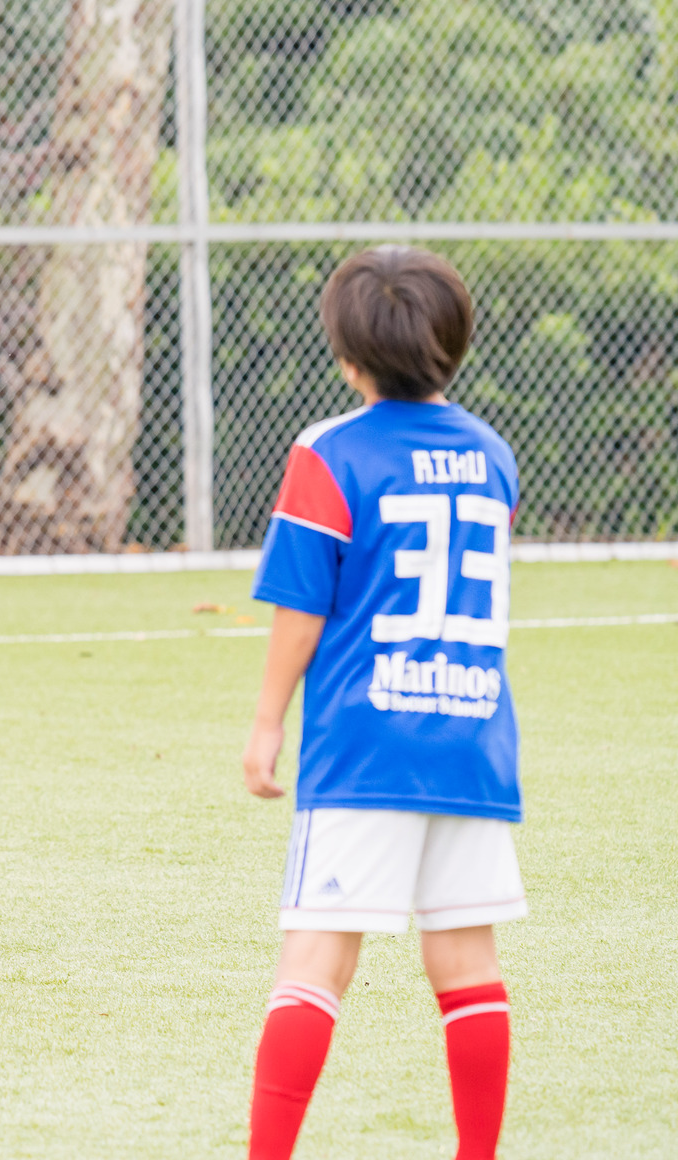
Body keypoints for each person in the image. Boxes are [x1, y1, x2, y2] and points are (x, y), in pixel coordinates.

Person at [239, 246, 522, 1158]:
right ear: (455, 345)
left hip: (365, 743)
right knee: (468, 967)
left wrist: (268, 721)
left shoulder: (330, 452)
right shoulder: (492, 455)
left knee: (317, 962)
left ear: (349, 356)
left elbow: (303, 606)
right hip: (472, 740)